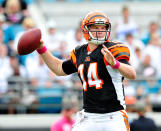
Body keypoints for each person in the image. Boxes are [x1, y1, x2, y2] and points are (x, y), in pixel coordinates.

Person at [36, 11, 136, 131]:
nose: (100, 31)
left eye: (102, 28)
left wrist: (115, 63)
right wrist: (41, 49)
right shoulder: (79, 53)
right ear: (85, 30)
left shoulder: (113, 49)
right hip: (89, 116)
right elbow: (59, 68)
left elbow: (132, 74)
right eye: (95, 28)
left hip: (113, 116)